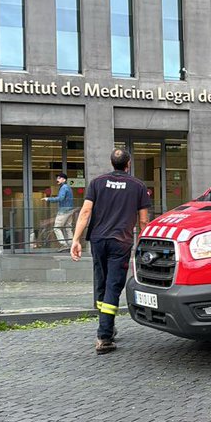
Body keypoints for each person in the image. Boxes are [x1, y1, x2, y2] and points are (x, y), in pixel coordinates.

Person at [72, 148, 151, 354]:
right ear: (128, 164)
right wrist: (145, 245)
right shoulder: (138, 186)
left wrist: (76, 239)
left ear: (111, 163)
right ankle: (104, 336)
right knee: (113, 286)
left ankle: (106, 325)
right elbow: (143, 220)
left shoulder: (97, 183)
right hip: (121, 242)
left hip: (98, 240)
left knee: (101, 282)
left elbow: (86, 211)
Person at [43, 172, 75, 250]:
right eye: (57, 178)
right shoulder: (68, 187)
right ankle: (71, 244)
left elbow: (60, 198)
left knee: (56, 228)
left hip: (64, 211)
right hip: (70, 210)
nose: (57, 179)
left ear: (64, 180)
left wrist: (48, 199)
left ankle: (64, 245)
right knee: (68, 228)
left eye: (59, 178)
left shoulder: (63, 187)